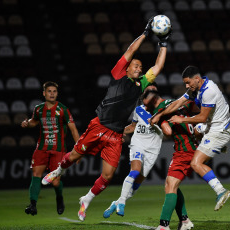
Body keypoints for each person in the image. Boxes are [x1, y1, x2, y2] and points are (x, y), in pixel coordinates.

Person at [41, 18, 171, 221]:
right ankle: (58, 171)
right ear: (127, 68)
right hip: (99, 126)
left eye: (140, 66)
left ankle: (86, 199)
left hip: (116, 134)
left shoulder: (141, 83)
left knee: (108, 176)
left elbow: (158, 66)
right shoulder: (118, 73)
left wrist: (163, 44)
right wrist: (145, 34)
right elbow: (130, 51)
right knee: (74, 157)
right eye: (136, 65)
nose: (139, 68)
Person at [151, 65, 230, 211]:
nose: (187, 86)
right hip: (213, 127)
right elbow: (177, 103)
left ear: (197, 79)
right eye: (185, 84)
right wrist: (160, 114)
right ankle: (220, 146)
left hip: (217, 130)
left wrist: (181, 120)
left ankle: (221, 191)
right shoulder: (197, 88)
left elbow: (202, 116)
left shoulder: (209, 91)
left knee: (196, 163)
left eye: (188, 83)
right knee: (195, 131)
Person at [103, 83, 164, 218]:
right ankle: (122, 203)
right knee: (135, 171)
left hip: (153, 151)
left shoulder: (164, 111)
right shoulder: (139, 110)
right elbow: (133, 127)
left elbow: (167, 131)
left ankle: (116, 202)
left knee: (136, 186)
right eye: (149, 91)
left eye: (154, 91)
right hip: (138, 144)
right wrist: (117, 132)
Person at [142, 89, 199, 230]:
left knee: (170, 186)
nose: (146, 109)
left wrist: (157, 122)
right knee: (170, 184)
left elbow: (168, 131)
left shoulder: (161, 110)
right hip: (192, 146)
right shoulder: (176, 103)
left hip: (184, 150)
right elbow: (196, 107)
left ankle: (163, 225)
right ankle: (184, 221)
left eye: (147, 106)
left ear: (154, 101)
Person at [21, 81, 80, 216]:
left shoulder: (63, 109)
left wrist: (79, 151)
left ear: (57, 94)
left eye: (54, 91)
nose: (52, 94)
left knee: (55, 182)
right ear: (44, 93)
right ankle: (33, 204)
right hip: (42, 147)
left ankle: (59, 198)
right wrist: (27, 123)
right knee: (36, 175)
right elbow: (34, 121)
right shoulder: (38, 109)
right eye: (49, 91)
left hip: (58, 150)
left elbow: (74, 130)